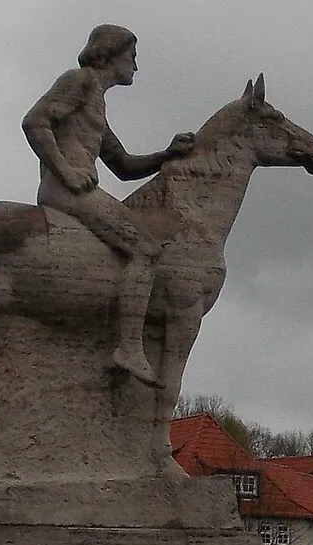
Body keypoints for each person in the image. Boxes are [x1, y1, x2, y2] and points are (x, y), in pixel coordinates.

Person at [23, 24, 194, 384]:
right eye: (132, 57)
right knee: (145, 247)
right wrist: (67, 172)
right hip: (69, 190)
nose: (136, 66)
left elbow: (123, 165)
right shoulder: (79, 81)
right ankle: (129, 347)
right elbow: (35, 122)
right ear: (111, 54)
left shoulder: (95, 102)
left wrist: (167, 153)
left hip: (77, 187)